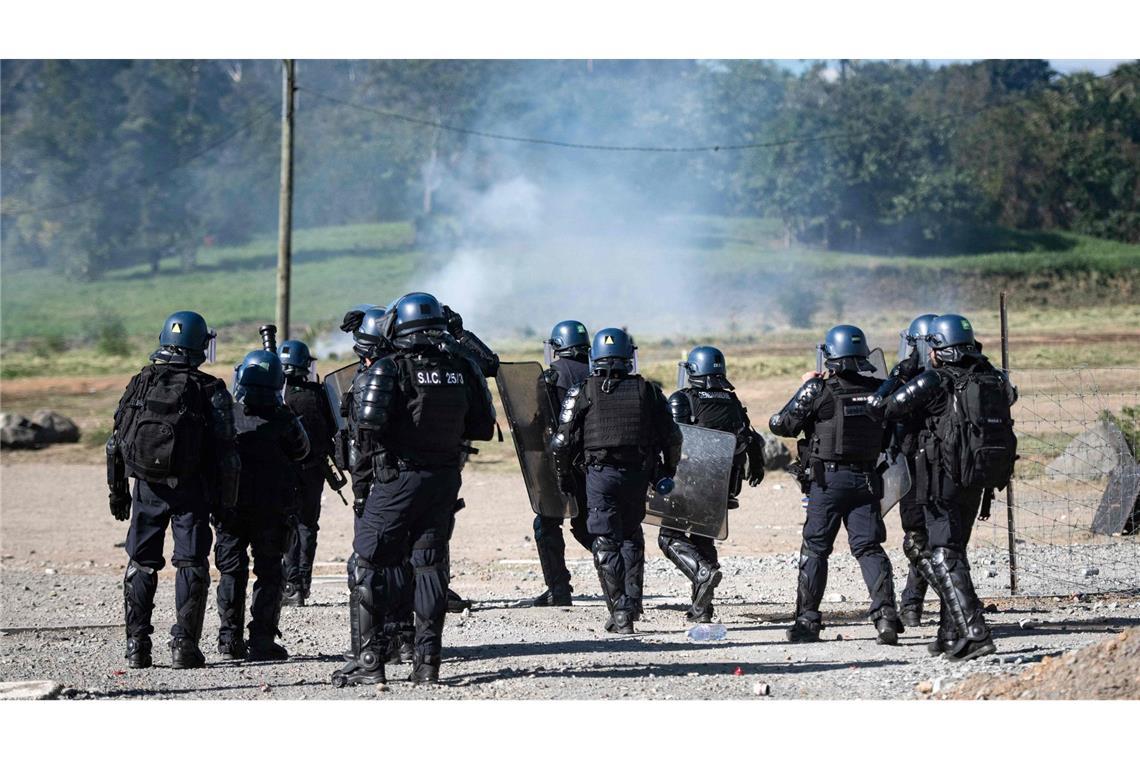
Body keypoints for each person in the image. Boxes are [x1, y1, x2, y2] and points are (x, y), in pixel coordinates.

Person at [331, 293, 497, 687]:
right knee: (429, 566)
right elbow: (483, 427)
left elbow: (367, 429)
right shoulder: (461, 367)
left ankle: (371, 660)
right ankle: (427, 665)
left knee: (368, 563)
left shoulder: (389, 368)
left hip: (398, 479)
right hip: (443, 480)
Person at [870, 314, 1017, 661]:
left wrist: (899, 372)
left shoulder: (935, 380)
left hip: (942, 479)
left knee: (943, 552)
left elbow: (881, 408)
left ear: (937, 349)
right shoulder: (992, 377)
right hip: (977, 478)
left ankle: (975, 632)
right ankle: (951, 634)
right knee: (953, 550)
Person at [106, 311, 240, 669]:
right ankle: (184, 647)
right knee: (191, 563)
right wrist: (226, 504)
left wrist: (117, 491)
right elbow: (228, 455)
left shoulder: (142, 380)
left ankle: (137, 648)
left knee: (141, 563)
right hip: (191, 491)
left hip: (146, 488)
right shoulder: (211, 389)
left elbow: (115, 442)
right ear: (199, 345)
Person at [769, 325, 902, 645]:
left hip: (827, 482)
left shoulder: (819, 391)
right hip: (867, 480)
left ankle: (807, 622)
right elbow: (890, 434)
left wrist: (805, 386)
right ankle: (886, 617)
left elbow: (780, 424)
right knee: (869, 548)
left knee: (815, 550)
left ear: (831, 356)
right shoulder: (879, 390)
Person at [550, 327, 682, 634]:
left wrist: (564, 477)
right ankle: (633, 605)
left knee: (606, 540)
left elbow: (561, 443)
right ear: (629, 356)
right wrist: (666, 471)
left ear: (595, 356)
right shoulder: (647, 391)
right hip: (637, 474)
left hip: (599, 475)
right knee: (631, 534)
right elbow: (672, 437)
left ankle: (620, 613)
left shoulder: (582, 390)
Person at [214, 349, 310, 661]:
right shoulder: (285, 421)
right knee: (270, 573)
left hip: (231, 508)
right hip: (272, 511)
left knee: (232, 571)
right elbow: (302, 452)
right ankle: (262, 640)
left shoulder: (229, 416)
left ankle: (229, 639)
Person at [663, 345, 766, 623]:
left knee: (669, 538)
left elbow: (673, 441)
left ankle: (702, 574)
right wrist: (757, 466)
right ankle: (702, 610)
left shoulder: (683, 400)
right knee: (703, 539)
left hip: (690, 484)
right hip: (723, 486)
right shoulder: (731, 401)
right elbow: (752, 438)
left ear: (693, 369)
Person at [526, 320, 594, 607]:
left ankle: (558, 589)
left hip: (559, 462)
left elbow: (538, 419)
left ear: (557, 346)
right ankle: (622, 580)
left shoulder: (552, 376)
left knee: (547, 522)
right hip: (593, 463)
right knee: (587, 526)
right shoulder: (598, 372)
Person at [884, 314, 938, 627]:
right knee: (937, 541)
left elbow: (882, 408)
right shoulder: (960, 377)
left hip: (919, 471)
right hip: (945, 470)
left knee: (918, 541)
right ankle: (912, 605)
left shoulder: (920, 382)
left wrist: (896, 377)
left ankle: (949, 601)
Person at [277, 337, 338, 607]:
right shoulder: (318, 394)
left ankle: (290, 584)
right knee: (307, 526)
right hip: (314, 471)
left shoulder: (277, 396)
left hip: (285, 471)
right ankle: (302, 584)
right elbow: (333, 430)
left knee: (288, 526)